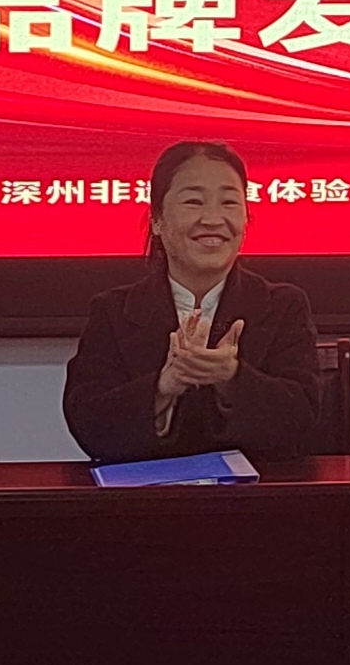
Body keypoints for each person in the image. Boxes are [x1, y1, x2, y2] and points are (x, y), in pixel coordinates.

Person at [63, 140, 323, 463]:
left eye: (229, 202)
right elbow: (88, 424)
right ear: (157, 219)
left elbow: (302, 417)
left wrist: (231, 377)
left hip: (258, 493)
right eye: (193, 202)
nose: (213, 219)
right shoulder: (114, 312)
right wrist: (164, 387)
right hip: (144, 494)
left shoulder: (283, 307)